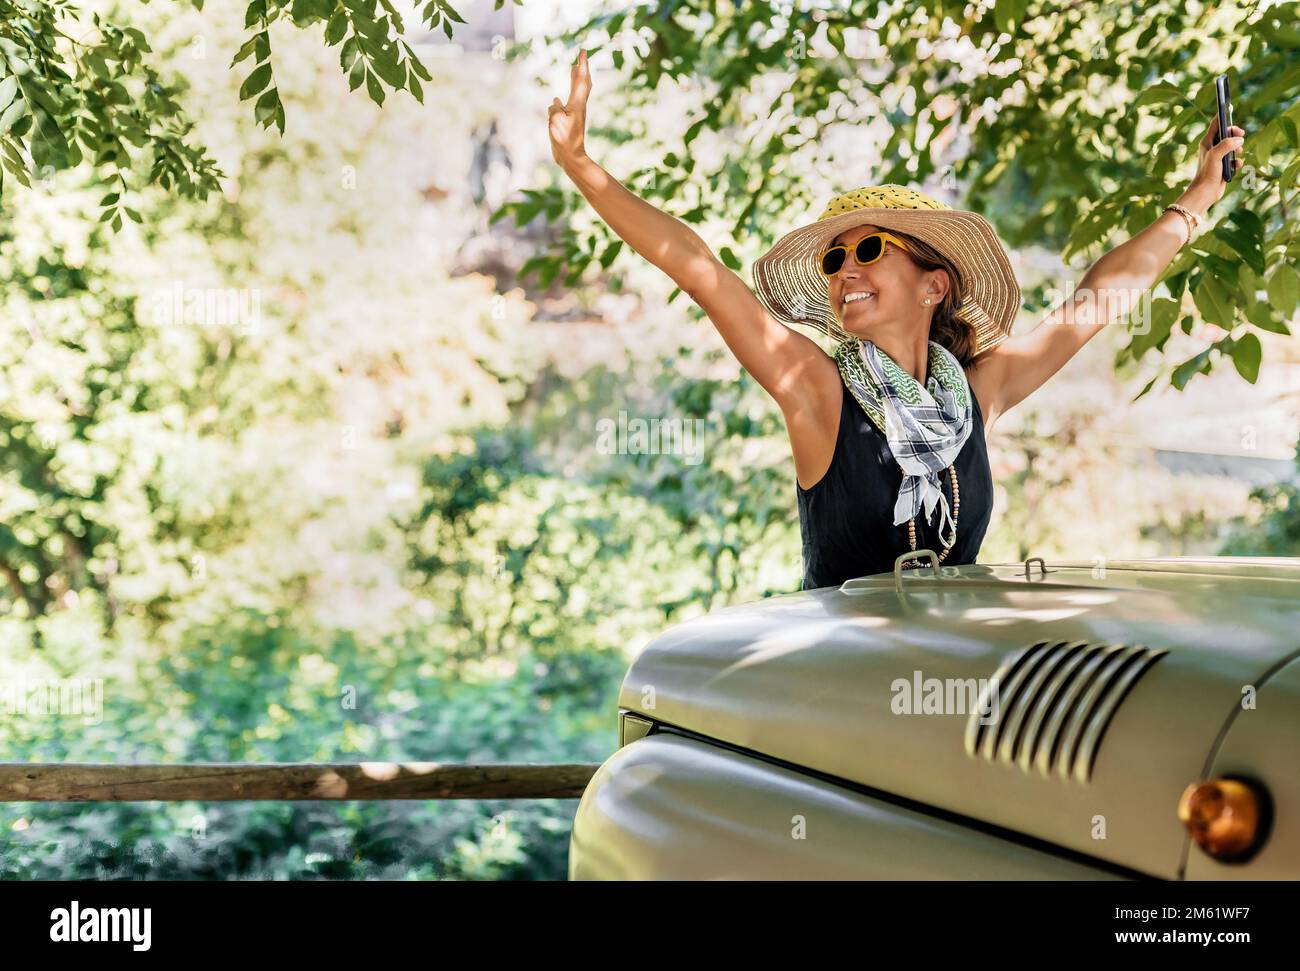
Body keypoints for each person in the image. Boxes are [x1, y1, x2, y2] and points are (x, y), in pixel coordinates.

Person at [547, 49, 1246, 590]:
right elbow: (702, 271)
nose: (846, 268)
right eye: (834, 258)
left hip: (950, 686)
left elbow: (1095, 303)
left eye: (871, 248)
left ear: (932, 283)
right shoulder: (816, 390)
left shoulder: (979, 393)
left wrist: (1196, 198)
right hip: (841, 708)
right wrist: (582, 166)